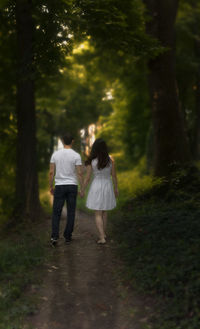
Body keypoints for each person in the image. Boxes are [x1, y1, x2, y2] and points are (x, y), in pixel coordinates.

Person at [49, 133, 84, 246]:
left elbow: (51, 172)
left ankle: (54, 236)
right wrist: (82, 188)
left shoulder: (55, 155)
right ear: (72, 141)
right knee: (71, 212)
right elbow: (79, 173)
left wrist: (51, 185)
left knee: (56, 212)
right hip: (72, 186)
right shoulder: (76, 155)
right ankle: (68, 236)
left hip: (59, 186)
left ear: (62, 141)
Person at [83, 138, 118, 244]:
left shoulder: (92, 161)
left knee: (98, 213)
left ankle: (102, 236)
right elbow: (114, 176)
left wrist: (83, 189)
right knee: (104, 211)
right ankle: (104, 233)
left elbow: (88, 178)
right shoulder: (110, 160)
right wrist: (116, 188)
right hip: (107, 186)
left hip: (97, 186)